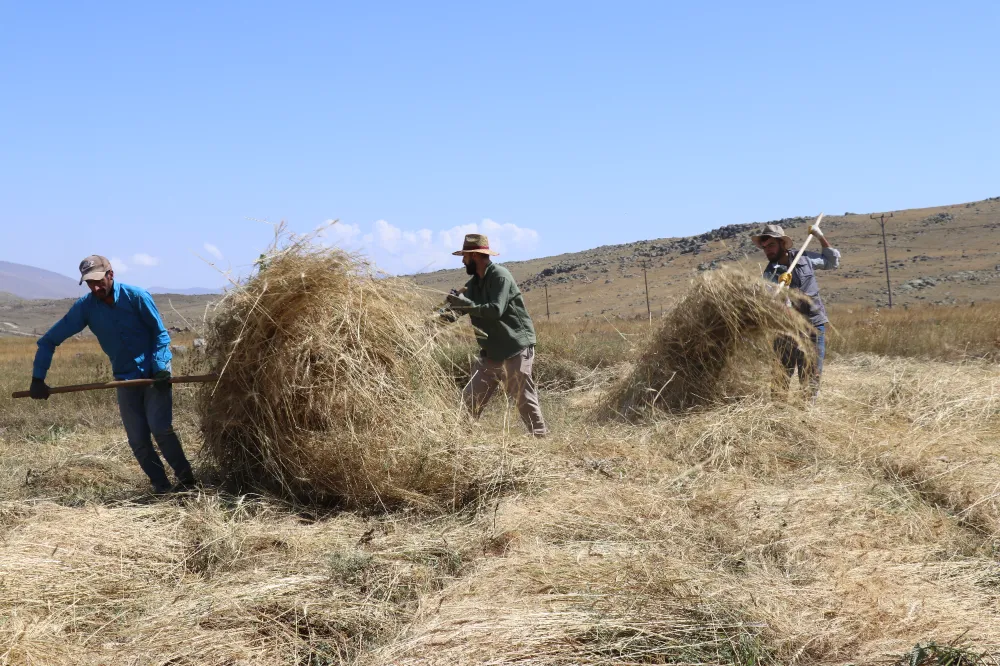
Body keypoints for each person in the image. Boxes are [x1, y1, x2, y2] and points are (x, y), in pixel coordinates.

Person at [27, 255, 196, 494]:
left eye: (98, 281)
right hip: (125, 377)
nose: (95, 287)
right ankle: (162, 487)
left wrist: (159, 367)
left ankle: (187, 483)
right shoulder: (85, 308)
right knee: (138, 440)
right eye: (89, 283)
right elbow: (48, 341)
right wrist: (37, 379)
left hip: (154, 373)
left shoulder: (137, 297)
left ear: (110, 275)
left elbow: (160, 335)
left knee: (160, 429)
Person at [444, 234, 548, 437]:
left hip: (514, 347)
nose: (463, 261)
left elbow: (495, 310)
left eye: (465, 256)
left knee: (523, 399)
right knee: (468, 402)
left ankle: (541, 440)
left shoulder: (500, 276)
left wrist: (466, 304)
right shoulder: (474, 284)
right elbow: (457, 311)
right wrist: (433, 320)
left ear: (474, 256)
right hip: (491, 352)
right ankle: (459, 442)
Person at [751, 223, 840, 396]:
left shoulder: (804, 258)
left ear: (782, 244)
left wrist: (819, 236)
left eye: (771, 245)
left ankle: (806, 416)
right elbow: (771, 302)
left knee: (810, 376)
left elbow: (831, 262)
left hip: (814, 325)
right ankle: (778, 415)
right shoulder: (770, 273)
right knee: (780, 378)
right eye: (764, 247)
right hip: (786, 330)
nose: (767, 250)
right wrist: (785, 292)